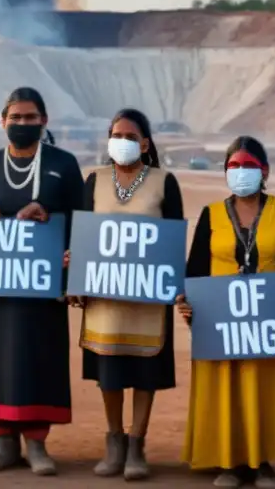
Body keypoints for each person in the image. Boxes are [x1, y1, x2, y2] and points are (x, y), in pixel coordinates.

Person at [178, 136, 275, 489]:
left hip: (269, 318)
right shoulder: (212, 214)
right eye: (233, 166)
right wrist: (188, 304)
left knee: (263, 386)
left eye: (248, 166)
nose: (240, 172)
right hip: (222, 318)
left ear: (264, 170)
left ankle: (263, 462)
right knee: (226, 386)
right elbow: (196, 268)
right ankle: (230, 462)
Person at [0, 87, 85, 476]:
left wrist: (50, 213)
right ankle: (2, 442)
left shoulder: (64, 164)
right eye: (15, 118)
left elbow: (81, 217)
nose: (22, 124)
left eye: (30, 117)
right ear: (2, 122)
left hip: (45, 283)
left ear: (44, 121)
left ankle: (37, 445)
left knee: (41, 357)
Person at [79, 109, 183, 481]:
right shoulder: (94, 181)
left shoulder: (163, 182)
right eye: (115, 134)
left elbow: (173, 240)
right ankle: (114, 442)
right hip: (105, 300)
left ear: (145, 142)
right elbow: (81, 236)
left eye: (129, 135)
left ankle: (137, 444)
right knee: (109, 372)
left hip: (147, 299)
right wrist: (74, 274)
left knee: (143, 371)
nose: (121, 141)